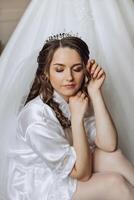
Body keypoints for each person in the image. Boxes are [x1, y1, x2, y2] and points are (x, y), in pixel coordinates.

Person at [7, 34, 134, 200]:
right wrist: (76, 118)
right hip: (41, 183)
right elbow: (81, 174)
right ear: (46, 72)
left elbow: (109, 144)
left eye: (77, 69)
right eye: (59, 70)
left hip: (75, 165)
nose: (69, 78)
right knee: (115, 183)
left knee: (113, 156)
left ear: (85, 70)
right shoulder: (36, 117)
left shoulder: (76, 99)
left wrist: (95, 93)